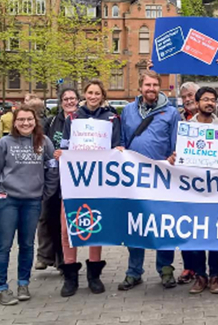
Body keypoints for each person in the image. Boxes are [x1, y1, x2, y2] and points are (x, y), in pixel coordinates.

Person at [0, 104, 59, 305]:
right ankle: (1, 288)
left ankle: (23, 284)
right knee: (3, 245)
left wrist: (46, 192)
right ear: (15, 122)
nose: (25, 123)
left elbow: (53, 168)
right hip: (7, 200)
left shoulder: (44, 142)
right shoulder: (5, 143)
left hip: (32, 202)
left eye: (29, 120)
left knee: (26, 244)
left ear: (36, 122)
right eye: (21, 120)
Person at [57, 79, 121, 297]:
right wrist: (60, 154)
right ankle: (70, 276)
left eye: (97, 93)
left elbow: (116, 146)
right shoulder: (73, 118)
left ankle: (94, 275)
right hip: (74, 181)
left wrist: (119, 150)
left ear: (102, 95)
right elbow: (65, 146)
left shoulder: (112, 118)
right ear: (84, 94)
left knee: (94, 227)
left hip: (98, 182)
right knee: (67, 229)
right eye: (90, 92)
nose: (93, 96)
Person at [118, 70, 181, 292]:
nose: (151, 89)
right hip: (134, 180)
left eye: (155, 85)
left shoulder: (171, 113)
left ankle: (165, 269)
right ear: (140, 87)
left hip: (162, 179)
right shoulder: (127, 111)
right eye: (148, 85)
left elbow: (176, 145)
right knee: (136, 225)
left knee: (164, 225)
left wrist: (174, 156)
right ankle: (133, 272)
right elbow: (123, 142)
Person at [179, 87, 218, 295]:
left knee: (216, 236)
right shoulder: (186, 128)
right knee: (195, 236)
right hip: (193, 191)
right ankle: (200, 276)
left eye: (213, 100)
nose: (209, 103)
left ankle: (215, 276)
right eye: (206, 100)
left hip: (217, 191)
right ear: (197, 102)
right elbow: (179, 156)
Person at [34, 87, 79, 271]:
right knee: (46, 216)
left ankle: (62, 260)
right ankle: (44, 255)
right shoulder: (51, 122)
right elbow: (39, 143)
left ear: (78, 101)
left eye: (73, 98)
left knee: (65, 221)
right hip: (52, 176)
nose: (69, 101)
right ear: (61, 102)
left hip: (75, 179)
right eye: (66, 98)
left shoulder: (83, 122)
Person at [178, 54, 218, 122]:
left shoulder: (216, 112)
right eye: (183, 97)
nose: (187, 99)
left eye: (190, 95)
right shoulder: (178, 117)